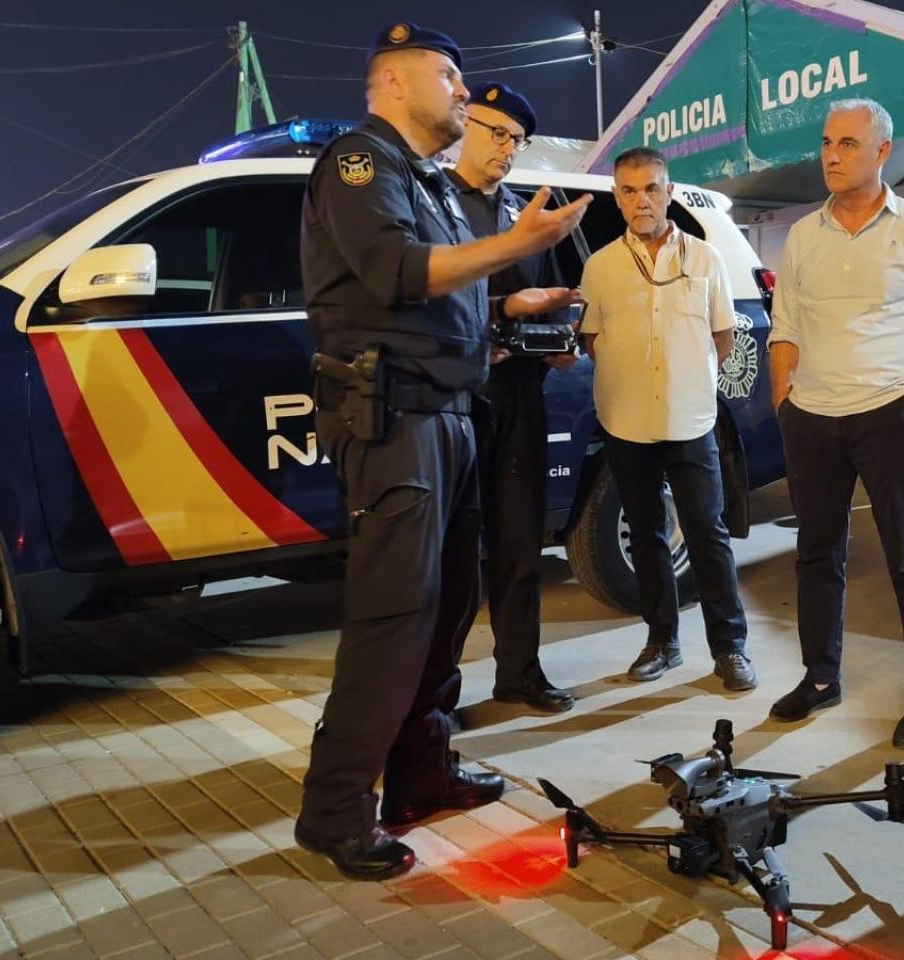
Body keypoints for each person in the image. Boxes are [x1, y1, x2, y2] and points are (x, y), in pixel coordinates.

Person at [294, 21, 589, 881]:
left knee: (449, 607)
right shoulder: (360, 163)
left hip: (450, 415)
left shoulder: (423, 180)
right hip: (395, 423)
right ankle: (334, 808)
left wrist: (500, 317)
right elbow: (392, 272)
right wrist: (516, 246)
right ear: (391, 81)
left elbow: (442, 303)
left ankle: (419, 774)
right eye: (449, 75)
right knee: (394, 617)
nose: (464, 92)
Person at [766, 98, 904, 749]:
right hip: (812, 418)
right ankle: (820, 679)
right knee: (816, 556)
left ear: (883, 151)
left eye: (848, 144)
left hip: (887, 411)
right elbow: (785, 328)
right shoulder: (802, 234)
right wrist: (784, 402)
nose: (831, 155)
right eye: (827, 142)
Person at [578, 147, 757, 692]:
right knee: (648, 537)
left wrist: (684, 375)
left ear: (669, 191)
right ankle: (662, 642)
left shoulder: (705, 259)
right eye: (629, 191)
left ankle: (729, 648)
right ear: (617, 197)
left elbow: (723, 338)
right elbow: (590, 341)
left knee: (709, 533)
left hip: (691, 420)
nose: (642, 200)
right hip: (626, 421)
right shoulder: (601, 266)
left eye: (652, 188)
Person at [451, 81, 577, 715]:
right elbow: (419, 299)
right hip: (453, 402)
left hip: (520, 396)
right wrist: (500, 314)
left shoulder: (524, 215)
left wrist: (560, 342)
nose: (507, 148)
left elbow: (553, 300)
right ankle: (433, 695)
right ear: (462, 123)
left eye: (518, 140)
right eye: (496, 131)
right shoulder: (427, 204)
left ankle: (520, 672)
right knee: (448, 554)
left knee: (519, 541)